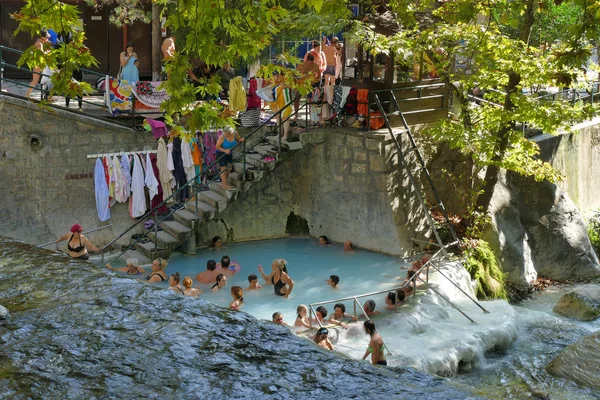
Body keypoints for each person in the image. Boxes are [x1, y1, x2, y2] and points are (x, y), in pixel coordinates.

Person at [26, 31, 51, 99]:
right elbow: (41, 54)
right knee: (35, 80)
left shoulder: (40, 43)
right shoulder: (39, 44)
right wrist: (48, 52)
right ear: (43, 38)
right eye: (47, 38)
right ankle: (27, 95)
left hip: (40, 64)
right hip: (38, 64)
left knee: (44, 79)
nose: (47, 40)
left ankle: (47, 96)